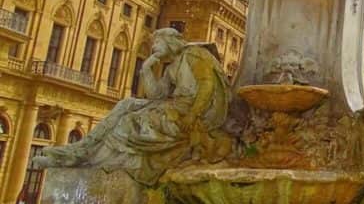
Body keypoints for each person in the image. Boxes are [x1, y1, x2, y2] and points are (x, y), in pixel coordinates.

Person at [32, 28, 233, 185]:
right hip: (174, 107)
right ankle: (76, 152)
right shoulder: (172, 66)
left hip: (192, 113)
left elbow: (207, 85)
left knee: (128, 123)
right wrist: (145, 69)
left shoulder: (194, 54)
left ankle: (91, 162)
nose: (153, 46)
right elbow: (156, 95)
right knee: (125, 104)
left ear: (169, 41)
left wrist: (193, 115)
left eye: (157, 41)